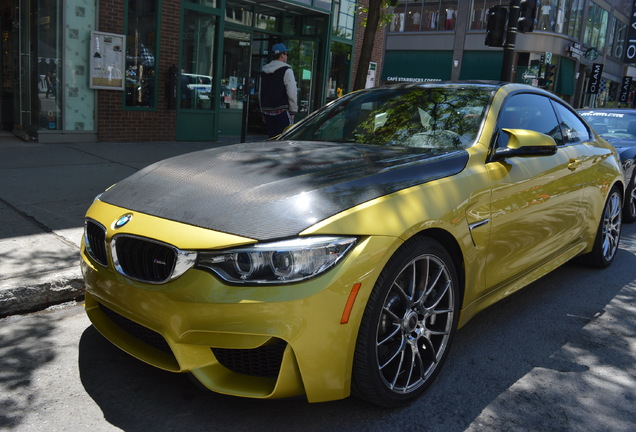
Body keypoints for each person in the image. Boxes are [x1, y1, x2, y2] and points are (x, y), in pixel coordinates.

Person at [260, 43, 298, 138]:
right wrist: (293, 111)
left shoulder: (264, 71)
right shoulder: (287, 70)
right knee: (284, 139)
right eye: (286, 54)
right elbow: (292, 92)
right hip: (282, 112)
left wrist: (263, 111)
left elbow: (261, 92)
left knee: (272, 139)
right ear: (282, 55)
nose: (286, 56)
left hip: (267, 111)